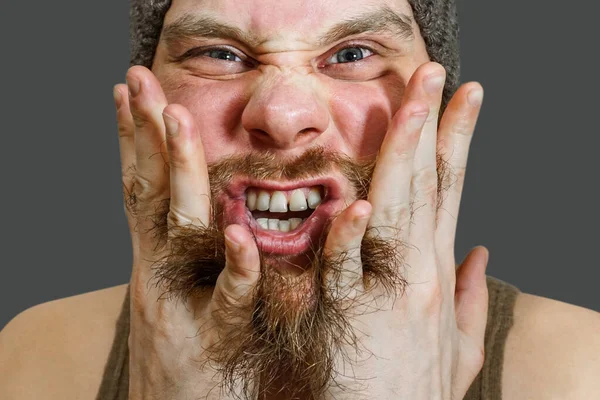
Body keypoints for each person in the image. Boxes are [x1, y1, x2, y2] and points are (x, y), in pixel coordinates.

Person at [1, 0, 599, 399]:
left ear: (440, 107)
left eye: (353, 54)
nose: (281, 118)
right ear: (145, 102)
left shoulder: (579, 371)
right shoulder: (35, 359)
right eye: (219, 54)